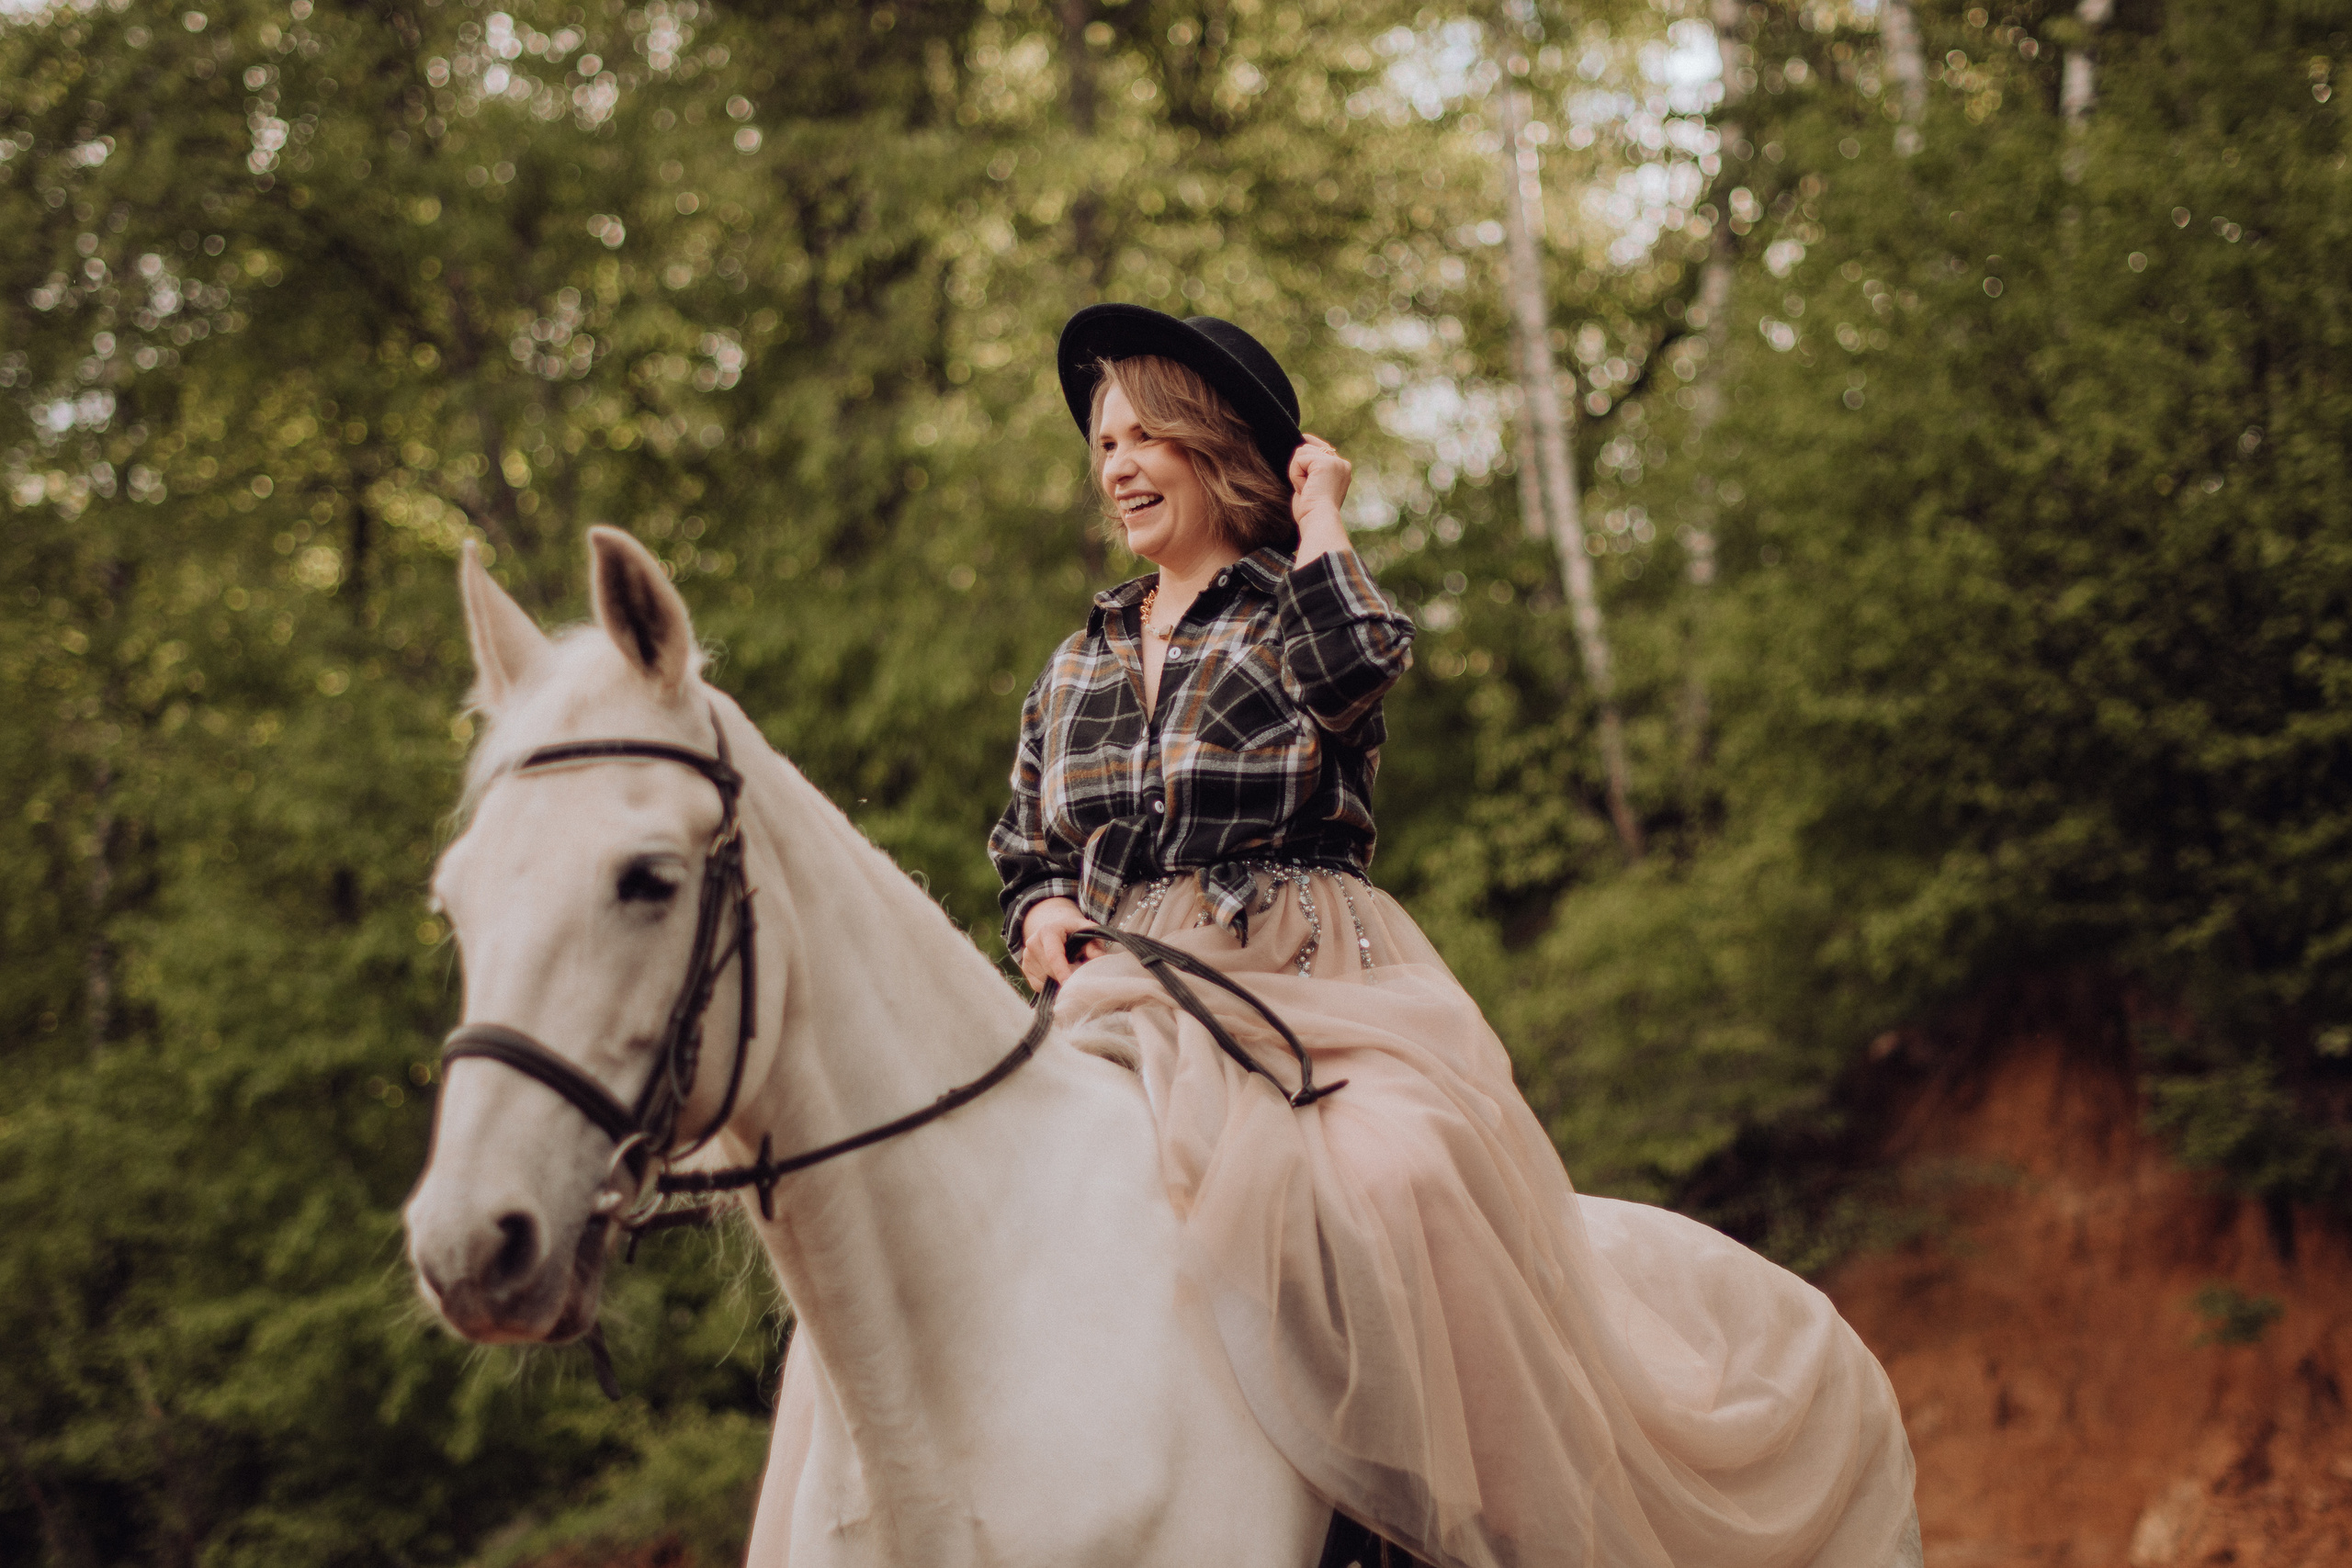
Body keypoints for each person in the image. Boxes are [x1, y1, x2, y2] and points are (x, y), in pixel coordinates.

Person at [989, 304, 1918, 1568]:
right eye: (1104, 442)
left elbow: (1367, 661)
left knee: (1397, 1178)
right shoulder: (1076, 661)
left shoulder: (1298, 615)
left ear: (1222, 454)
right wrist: (1046, 916)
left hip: (1307, 985)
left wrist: (1319, 517)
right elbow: (1024, 850)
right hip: (1122, 1003)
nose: (1117, 464)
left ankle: (1414, 1529)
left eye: (1149, 434)